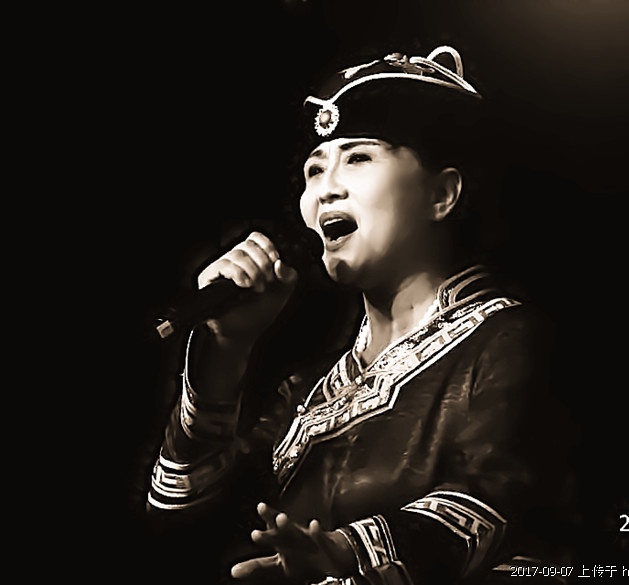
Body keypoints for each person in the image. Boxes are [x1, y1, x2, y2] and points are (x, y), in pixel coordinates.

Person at [146, 45, 574, 585]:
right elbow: (181, 523)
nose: (326, 189)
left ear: (441, 194)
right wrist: (226, 351)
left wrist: (349, 552)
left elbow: (502, 497)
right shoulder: (307, 393)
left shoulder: (509, 340)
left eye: (358, 158)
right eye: (314, 169)